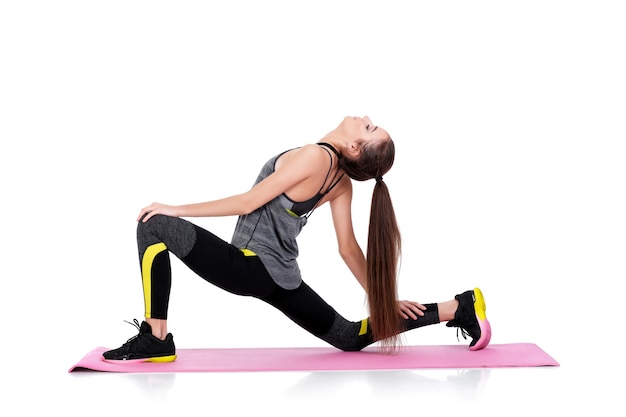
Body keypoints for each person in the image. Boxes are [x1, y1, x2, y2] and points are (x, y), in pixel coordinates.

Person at [103, 115, 491, 362]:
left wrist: (176, 208)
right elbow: (348, 250)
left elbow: (250, 200)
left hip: (250, 267)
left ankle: (156, 338)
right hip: (282, 276)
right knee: (348, 336)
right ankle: (456, 308)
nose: (366, 119)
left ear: (355, 148)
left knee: (153, 225)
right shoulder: (339, 180)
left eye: (369, 128)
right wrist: (384, 297)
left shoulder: (316, 156)